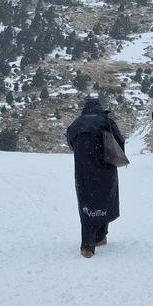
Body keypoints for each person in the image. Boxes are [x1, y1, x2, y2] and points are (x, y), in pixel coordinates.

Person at [66, 99, 125, 258]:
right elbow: (119, 142)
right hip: (105, 167)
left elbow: (71, 143)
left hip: (83, 169)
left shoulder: (76, 123)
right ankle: (100, 236)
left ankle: (87, 246)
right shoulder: (106, 121)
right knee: (104, 199)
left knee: (87, 202)